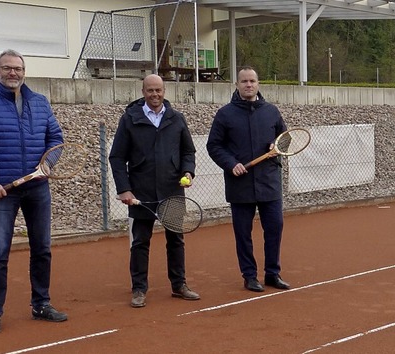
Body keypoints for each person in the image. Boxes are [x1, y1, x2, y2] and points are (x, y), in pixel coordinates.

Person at [0, 49, 68, 335]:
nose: (13, 73)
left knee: (42, 249)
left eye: (18, 68)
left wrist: (47, 165)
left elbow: (56, 138)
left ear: (24, 72)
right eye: (7, 68)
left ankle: (41, 304)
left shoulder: (40, 102)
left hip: (37, 189)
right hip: (1, 193)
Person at [109, 74, 200, 308]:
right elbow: (117, 157)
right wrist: (124, 189)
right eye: (150, 90)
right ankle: (139, 289)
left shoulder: (177, 119)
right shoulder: (130, 119)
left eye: (158, 90)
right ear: (143, 92)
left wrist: (188, 172)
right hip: (141, 192)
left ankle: (179, 285)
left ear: (164, 91)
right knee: (140, 242)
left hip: (172, 190)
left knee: (176, 241)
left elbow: (188, 152)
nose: (155, 94)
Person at [206, 66, 291, 292]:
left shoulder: (271, 112)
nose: (248, 85)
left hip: (269, 183)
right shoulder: (225, 114)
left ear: (258, 84)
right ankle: (250, 276)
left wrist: (277, 145)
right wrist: (230, 163)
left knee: (275, 228)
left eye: (252, 81)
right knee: (243, 234)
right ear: (237, 85)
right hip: (240, 185)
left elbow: (285, 138)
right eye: (244, 81)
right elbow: (213, 145)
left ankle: (273, 273)